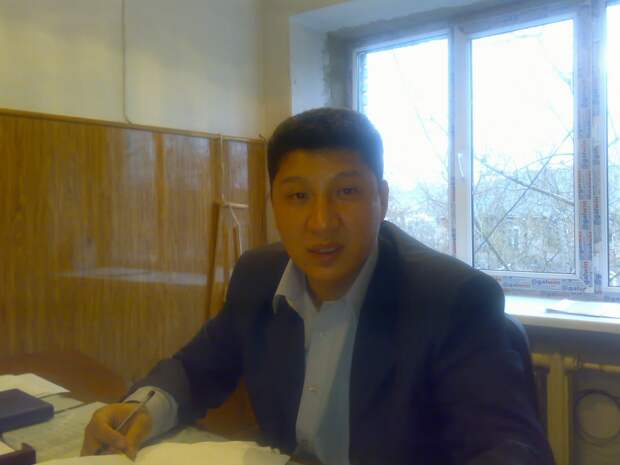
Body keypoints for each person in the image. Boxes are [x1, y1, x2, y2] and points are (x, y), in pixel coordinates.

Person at [81, 108, 555, 465]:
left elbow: (509, 447)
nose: (322, 222)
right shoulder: (259, 277)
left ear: (382, 199)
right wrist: (140, 411)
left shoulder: (451, 298)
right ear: (274, 204)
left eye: (346, 192)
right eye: (298, 196)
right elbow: (195, 368)